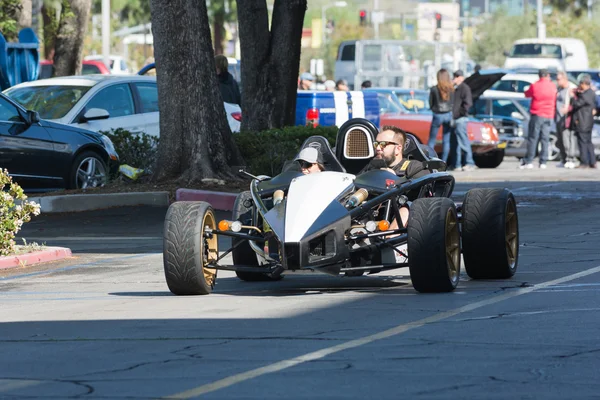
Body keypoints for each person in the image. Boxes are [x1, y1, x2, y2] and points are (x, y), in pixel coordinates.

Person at [361, 126, 430, 227]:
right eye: (376, 144)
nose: (378, 148)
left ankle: (389, 239)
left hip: (400, 217)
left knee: (407, 208)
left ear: (398, 148)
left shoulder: (414, 167)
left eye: (383, 144)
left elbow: (420, 193)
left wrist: (396, 180)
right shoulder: (369, 168)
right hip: (370, 216)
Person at [520, 69, 557, 169]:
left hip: (537, 113)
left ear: (539, 76)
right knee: (545, 138)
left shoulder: (535, 85)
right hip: (549, 114)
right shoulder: (553, 86)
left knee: (533, 138)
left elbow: (527, 94)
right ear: (548, 75)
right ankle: (543, 161)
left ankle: (529, 161)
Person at [570, 74, 597, 169]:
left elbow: (577, 103)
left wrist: (573, 97)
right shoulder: (591, 93)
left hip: (583, 122)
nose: (580, 85)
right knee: (588, 142)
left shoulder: (586, 94)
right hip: (588, 122)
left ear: (585, 84)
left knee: (582, 143)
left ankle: (584, 162)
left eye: (581, 83)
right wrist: (578, 93)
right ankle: (592, 161)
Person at [428, 69, 454, 163]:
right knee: (446, 140)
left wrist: (433, 109)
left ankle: (430, 161)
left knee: (432, 140)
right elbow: (453, 103)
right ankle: (444, 162)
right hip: (448, 115)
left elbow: (430, 103)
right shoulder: (451, 89)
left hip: (437, 114)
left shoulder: (434, 89)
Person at [452, 70, 476, 171]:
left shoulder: (464, 88)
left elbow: (468, 103)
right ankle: (457, 164)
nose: (454, 80)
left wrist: (459, 113)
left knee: (463, 141)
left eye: (455, 77)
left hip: (461, 118)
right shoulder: (457, 89)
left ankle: (470, 163)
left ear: (460, 77)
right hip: (457, 118)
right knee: (457, 143)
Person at [555, 71, 576, 169]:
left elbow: (575, 103)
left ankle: (570, 159)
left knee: (567, 140)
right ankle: (563, 159)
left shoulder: (570, 89)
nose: (557, 81)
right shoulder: (558, 89)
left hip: (566, 119)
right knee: (560, 141)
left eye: (559, 79)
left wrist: (568, 109)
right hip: (558, 118)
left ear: (565, 79)